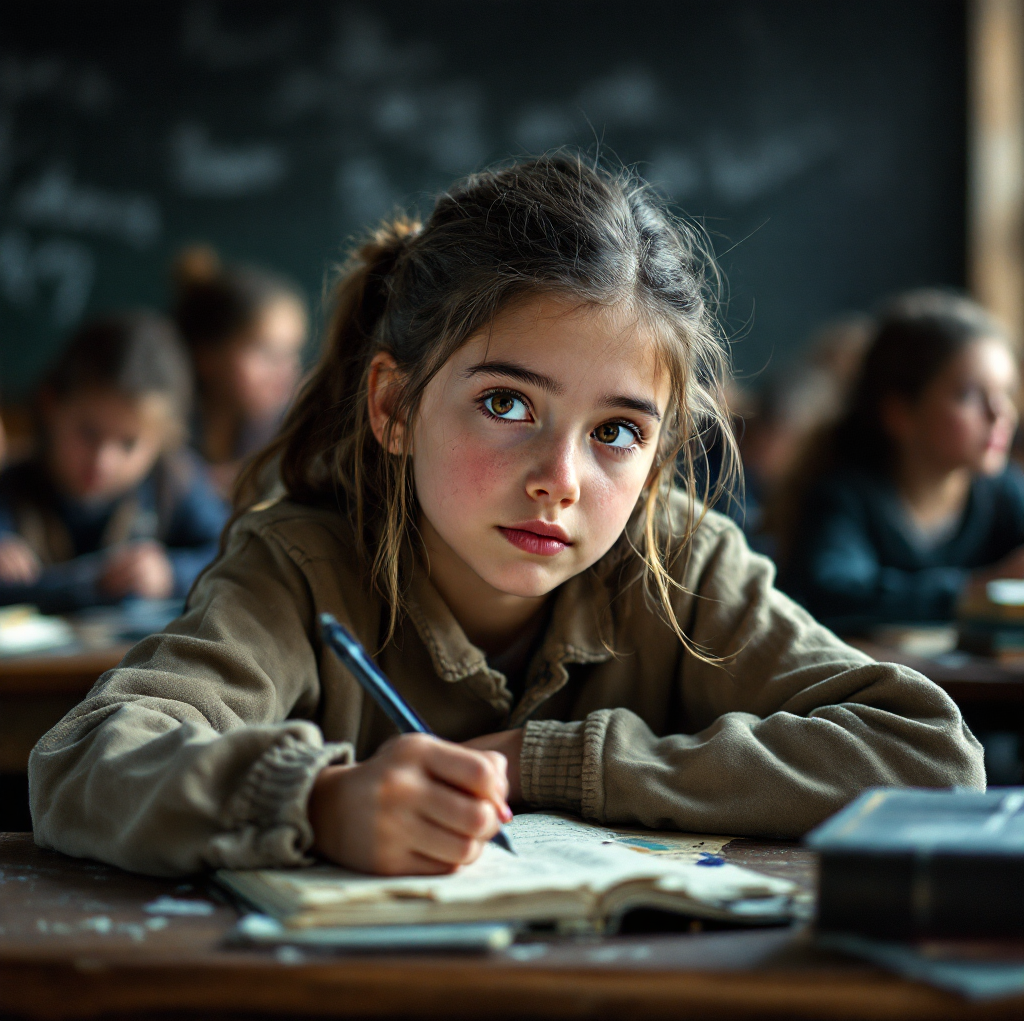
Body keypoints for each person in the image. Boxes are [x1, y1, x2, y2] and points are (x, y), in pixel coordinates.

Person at [29, 158, 982, 879]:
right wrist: (314, 802)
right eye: (506, 405)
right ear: (394, 408)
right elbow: (83, 760)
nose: (558, 481)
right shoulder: (304, 566)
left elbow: (933, 757)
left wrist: (548, 763)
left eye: (616, 431)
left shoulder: (680, 564)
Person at [779, 290, 1024, 633]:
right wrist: (981, 590)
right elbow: (833, 595)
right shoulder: (847, 497)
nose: (1001, 414)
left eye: (1006, 393)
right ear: (900, 413)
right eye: (969, 395)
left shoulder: (1006, 494)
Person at [0, 312, 229, 613]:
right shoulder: (12, 487)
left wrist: (171, 572)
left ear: (163, 439)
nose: (102, 461)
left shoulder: (174, 481)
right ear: (51, 405)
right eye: (88, 432)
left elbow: (232, 554)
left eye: (129, 443)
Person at [172, 246, 308, 497]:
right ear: (207, 354)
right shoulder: (163, 430)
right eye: (267, 354)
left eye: (291, 354)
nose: (286, 372)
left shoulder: (290, 430)